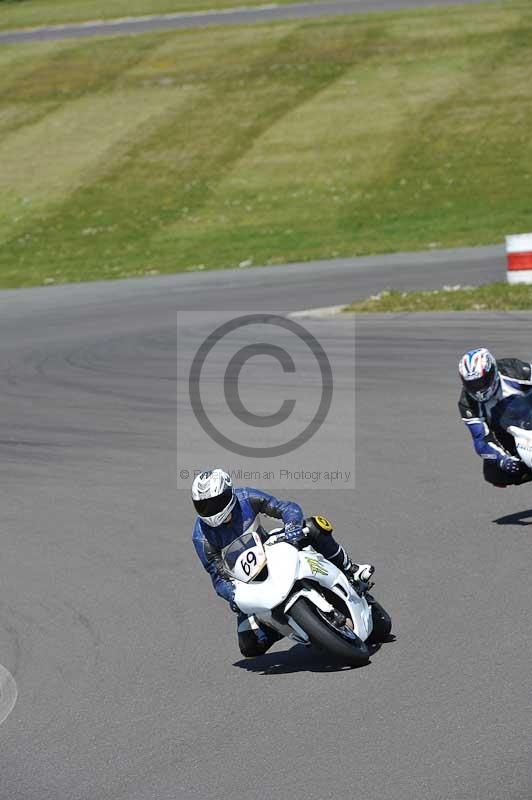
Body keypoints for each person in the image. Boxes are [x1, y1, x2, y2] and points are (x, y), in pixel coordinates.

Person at [191, 468, 375, 657]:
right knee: (249, 647)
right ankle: (282, 625)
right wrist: (232, 595)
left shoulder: (246, 497)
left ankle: (350, 568)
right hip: (247, 578)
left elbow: (285, 508)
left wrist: (292, 525)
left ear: (229, 495)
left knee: (313, 526)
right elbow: (217, 576)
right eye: (203, 506)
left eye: (215, 503)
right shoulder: (201, 537)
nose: (210, 510)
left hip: (270, 547)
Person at [458, 347, 532, 486]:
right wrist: (504, 461)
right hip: (508, 433)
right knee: (494, 473)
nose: (478, 388)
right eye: (472, 384)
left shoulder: (513, 370)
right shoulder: (467, 403)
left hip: (529, 414)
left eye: (481, 381)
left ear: (492, 371)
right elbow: (481, 439)